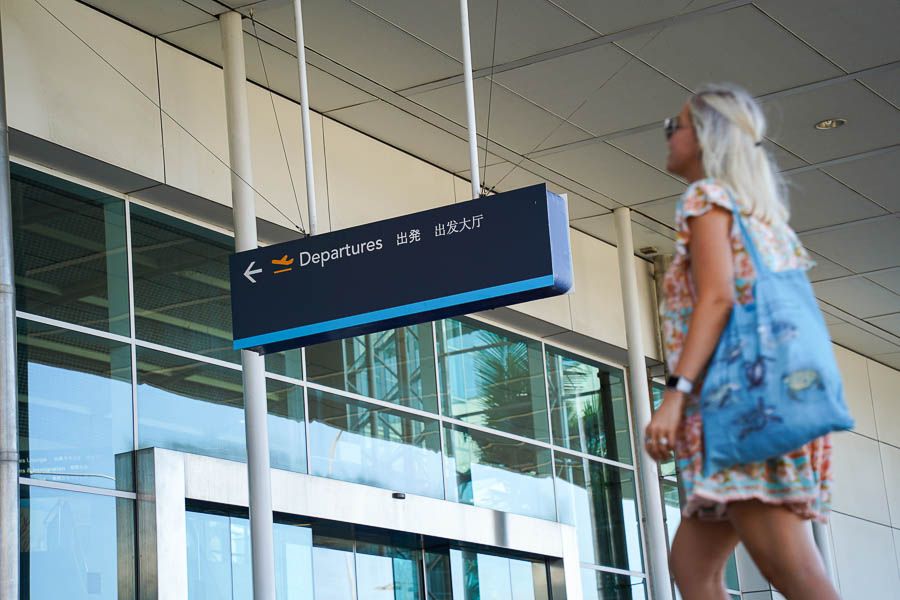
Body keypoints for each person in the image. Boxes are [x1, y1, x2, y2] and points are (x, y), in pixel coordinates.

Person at [646, 83, 840, 600]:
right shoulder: (766, 221)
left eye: (676, 126)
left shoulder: (706, 199)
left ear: (706, 137)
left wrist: (673, 397)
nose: (667, 135)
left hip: (744, 413)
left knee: (793, 571)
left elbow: (716, 300)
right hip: (768, 405)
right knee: (692, 568)